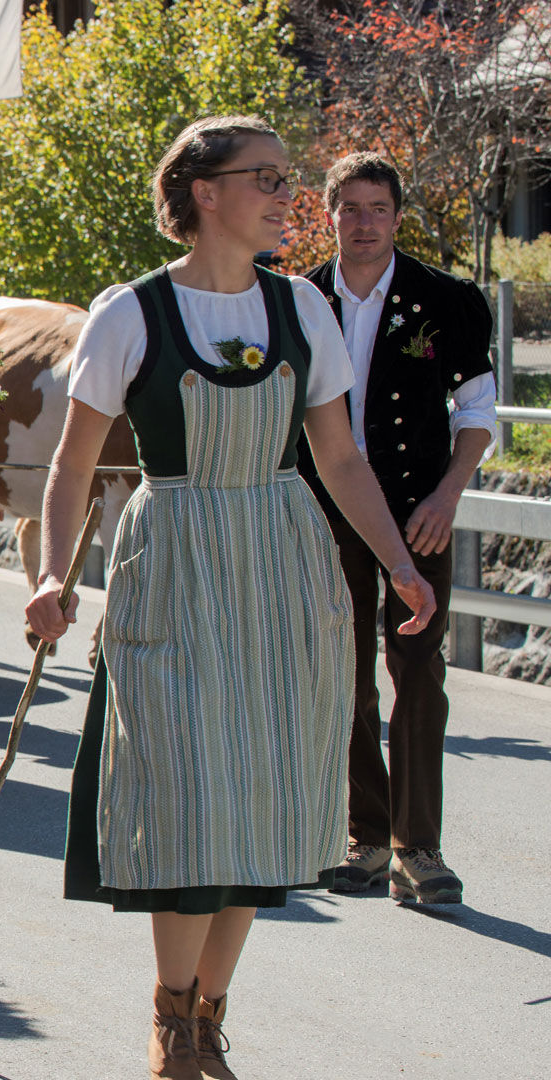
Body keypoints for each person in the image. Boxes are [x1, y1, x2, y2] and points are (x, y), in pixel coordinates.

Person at [31, 116, 435, 1080]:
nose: (285, 195)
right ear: (204, 192)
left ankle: (209, 1015)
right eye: (266, 178)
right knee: (182, 787)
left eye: (286, 178)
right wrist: (52, 574)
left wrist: (398, 565)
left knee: (263, 789)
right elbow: (72, 466)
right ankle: (172, 1019)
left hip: (280, 563)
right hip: (171, 556)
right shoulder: (129, 313)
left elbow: (339, 455)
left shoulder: (303, 307)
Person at [298, 152, 493, 906]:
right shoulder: (299, 299)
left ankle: (421, 849)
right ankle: (367, 839)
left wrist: (447, 496)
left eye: (378, 208)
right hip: (326, 514)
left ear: (398, 217)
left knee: (418, 671)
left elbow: (476, 412)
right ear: (329, 214)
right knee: (342, 675)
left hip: (421, 511)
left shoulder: (448, 300)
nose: (364, 222)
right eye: (350, 207)